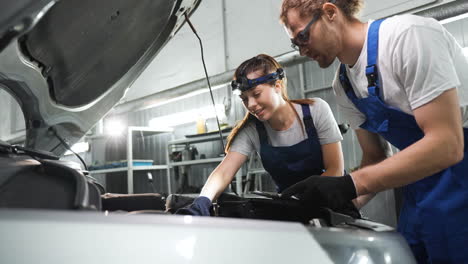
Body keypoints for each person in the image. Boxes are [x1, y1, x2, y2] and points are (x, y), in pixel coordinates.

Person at [279, 0, 468, 263]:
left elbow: (448, 144)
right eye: (295, 43)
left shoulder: (407, 37)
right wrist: (341, 205)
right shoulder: (343, 86)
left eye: (303, 36)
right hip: (420, 190)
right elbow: (376, 156)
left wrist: (349, 184)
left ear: (330, 12)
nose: (301, 50)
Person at [176, 54, 346, 216]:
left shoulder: (316, 110)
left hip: (332, 204)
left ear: (277, 86)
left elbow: (335, 169)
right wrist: (202, 201)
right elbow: (223, 173)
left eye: (256, 94)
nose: (251, 104)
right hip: (291, 210)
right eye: (244, 99)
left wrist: (306, 199)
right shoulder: (252, 131)